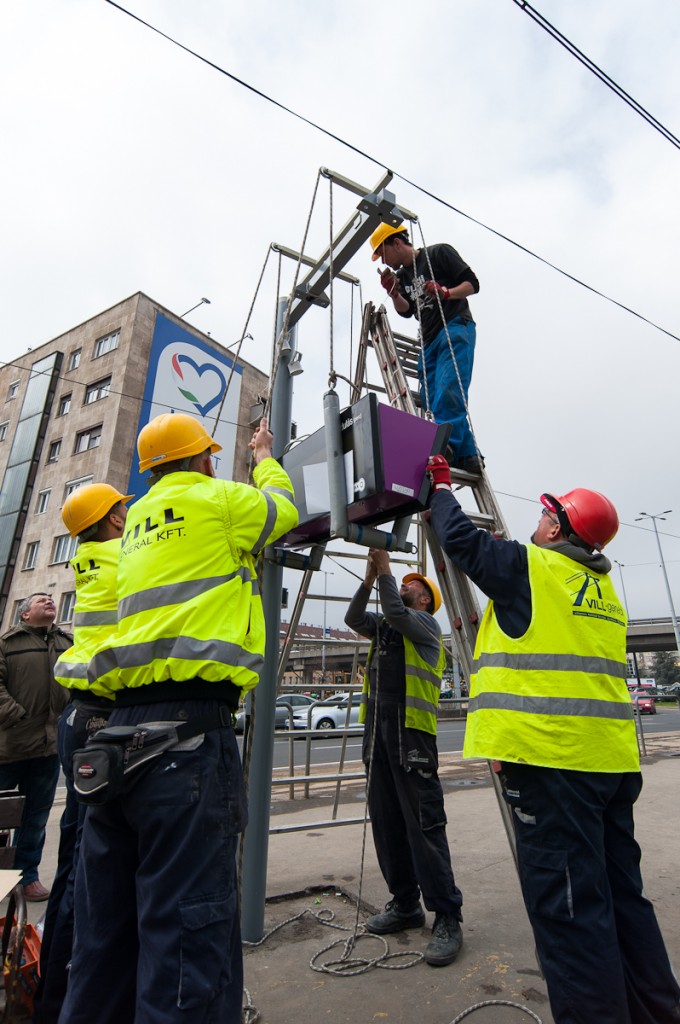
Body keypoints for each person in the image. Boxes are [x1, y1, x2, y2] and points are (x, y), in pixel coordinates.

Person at [58, 413, 298, 1024]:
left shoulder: (133, 522)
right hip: (188, 734)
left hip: (120, 731)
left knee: (105, 939)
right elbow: (282, 509)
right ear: (203, 460)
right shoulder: (218, 498)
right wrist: (266, 454)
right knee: (189, 933)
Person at [427, 453, 680, 1022]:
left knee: (569, 912)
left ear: (560, 529)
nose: (536, 523)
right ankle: (657, 1010)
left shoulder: (531, 570)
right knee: (623, 898)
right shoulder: (604, 596)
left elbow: (462, 542)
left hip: (551, 767)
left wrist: (440, 488)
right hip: (610, 767)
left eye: (546, 516)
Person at [34, 484, 132, 1024]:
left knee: (75, 857)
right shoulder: (124, 556)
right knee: (90, 868)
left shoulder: (91, 557)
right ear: (113, 521)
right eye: (123, 509)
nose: (129, 514)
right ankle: (71, 1001)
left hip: (81, 714)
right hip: (101, 717)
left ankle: (55, 997)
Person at [345, 548, 464, 966]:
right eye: (404, 581)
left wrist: (386, 570)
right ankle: (405, 904)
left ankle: (447, 914)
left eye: (413, 584)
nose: (404, 585)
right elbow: (354, 619)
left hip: (412, 739)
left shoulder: (425, 627)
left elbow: (394, 610)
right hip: (379, 737)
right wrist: (367, 579)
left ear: (425, 599)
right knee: (387, 823)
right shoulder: (387, 628)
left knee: (424, 826)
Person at [370, 223, 482, 473]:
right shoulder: (402, 277)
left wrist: (445, 292)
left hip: (453, 326)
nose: (385, 261)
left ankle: (444, 446)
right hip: (429, 340)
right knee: (432, 398)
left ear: (397, 242)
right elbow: (407, 311)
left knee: (449, 387)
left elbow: (472, 284)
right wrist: (394, 293)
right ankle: (468, 454)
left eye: (384, 253)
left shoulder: (438, 253)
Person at [0, 593, 72, 901]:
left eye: (52, 600)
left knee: (36, 818)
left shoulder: (67, 643)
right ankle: (3, 878)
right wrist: (15, 715)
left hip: (48, 748)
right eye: (41, 600)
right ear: (25, 614)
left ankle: (27, 877)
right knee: (3, 817)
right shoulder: (8, 643)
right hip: (9, 746)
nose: (50, 602)